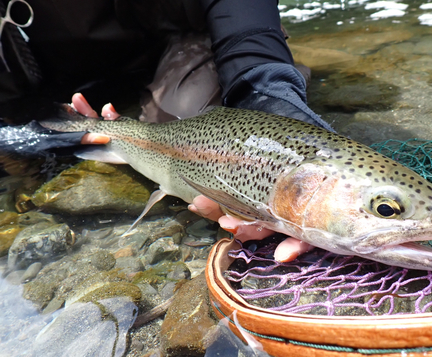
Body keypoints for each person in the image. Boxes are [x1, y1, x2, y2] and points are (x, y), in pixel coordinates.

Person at [1, 0, 333, 261]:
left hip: (187, 39)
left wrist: (266, 95)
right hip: (53, 72)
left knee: (189, 112)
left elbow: (240, 15)